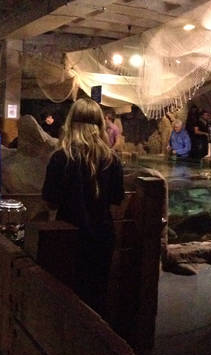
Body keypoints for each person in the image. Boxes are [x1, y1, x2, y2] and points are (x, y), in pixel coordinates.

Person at [42, 97, 124, 326]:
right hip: (102, 236)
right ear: (100, 124)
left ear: (70, 122)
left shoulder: (61, 157)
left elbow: (50, 201)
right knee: (96, 300)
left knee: (68, 303)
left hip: (68, 236)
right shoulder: (112, 159)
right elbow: (117, 200)